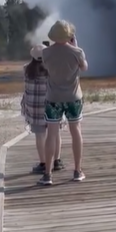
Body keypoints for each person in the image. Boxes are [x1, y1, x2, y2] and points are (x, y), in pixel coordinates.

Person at [38, 20, 88, 186]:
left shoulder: (46, 53)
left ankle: (47, 174)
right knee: (76, 132)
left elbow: (46, 67)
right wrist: (76, 47)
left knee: (51, 134)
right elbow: (84, 68)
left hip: (53, 98)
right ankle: (77, 170)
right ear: (69, 36)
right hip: (73, 97)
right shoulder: (77, 51)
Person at [21, 44, 64, 174]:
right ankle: (57, 161)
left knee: (40, 136)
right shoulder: (53, 69)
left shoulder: (26, 69)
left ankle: (43, 163)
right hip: (51, 106)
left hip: (34, 110)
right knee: (55, 134)